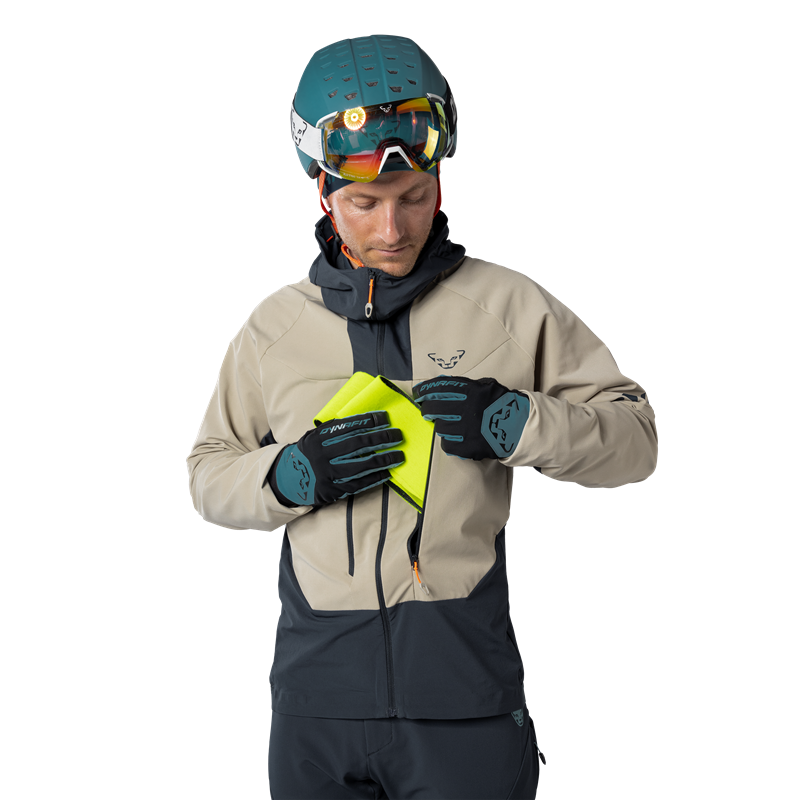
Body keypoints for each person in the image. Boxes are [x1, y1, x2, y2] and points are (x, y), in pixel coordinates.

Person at [187, 33, 658, 799]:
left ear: (440, 179)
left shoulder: (509, 307)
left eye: (414, 197)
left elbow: (637, 442)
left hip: (465, 702)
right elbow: (207, 476)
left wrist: (519, 423)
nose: (392, 230)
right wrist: (289, 475)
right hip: (316, 712)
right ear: (322, 191)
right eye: (364, 204)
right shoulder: (273, 328)